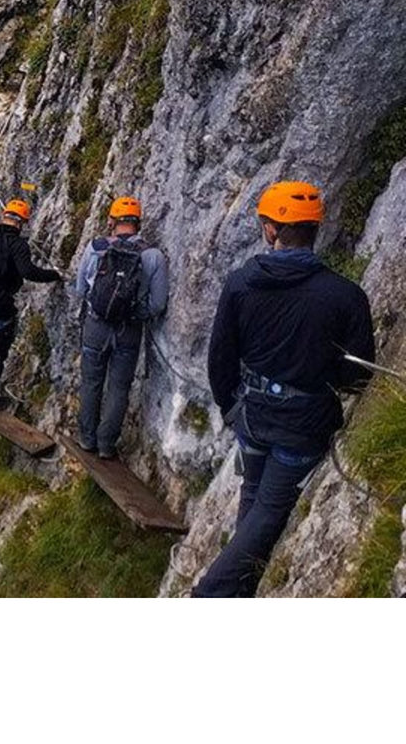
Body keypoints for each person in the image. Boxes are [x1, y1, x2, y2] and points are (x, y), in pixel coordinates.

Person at [193, 180, 374, 598]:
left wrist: (230, 408)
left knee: (254, 497)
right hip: (304, 422)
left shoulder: (241, 283)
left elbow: (221, 356)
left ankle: (218, 593)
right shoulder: (346, 296)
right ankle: (226, 590)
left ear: (272, 230)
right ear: (314, 229)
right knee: (269, 510)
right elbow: (358, 377)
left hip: (252, 414)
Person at [73, 195, 169, 459]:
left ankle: (86, 438)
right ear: (138, 223)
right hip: (128, 330)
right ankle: (106, 445)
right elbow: (158, 303)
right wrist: (136, 313)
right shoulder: (153, 256)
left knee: (91, 381)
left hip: (96, 324)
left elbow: (81, 289)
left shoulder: (96, 248)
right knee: (118, 387)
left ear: (111, 221)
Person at [0, 199, 62, 413]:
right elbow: (28, 272)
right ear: (22, 223)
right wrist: (54, 275)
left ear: (3, 216)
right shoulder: (17, 246)